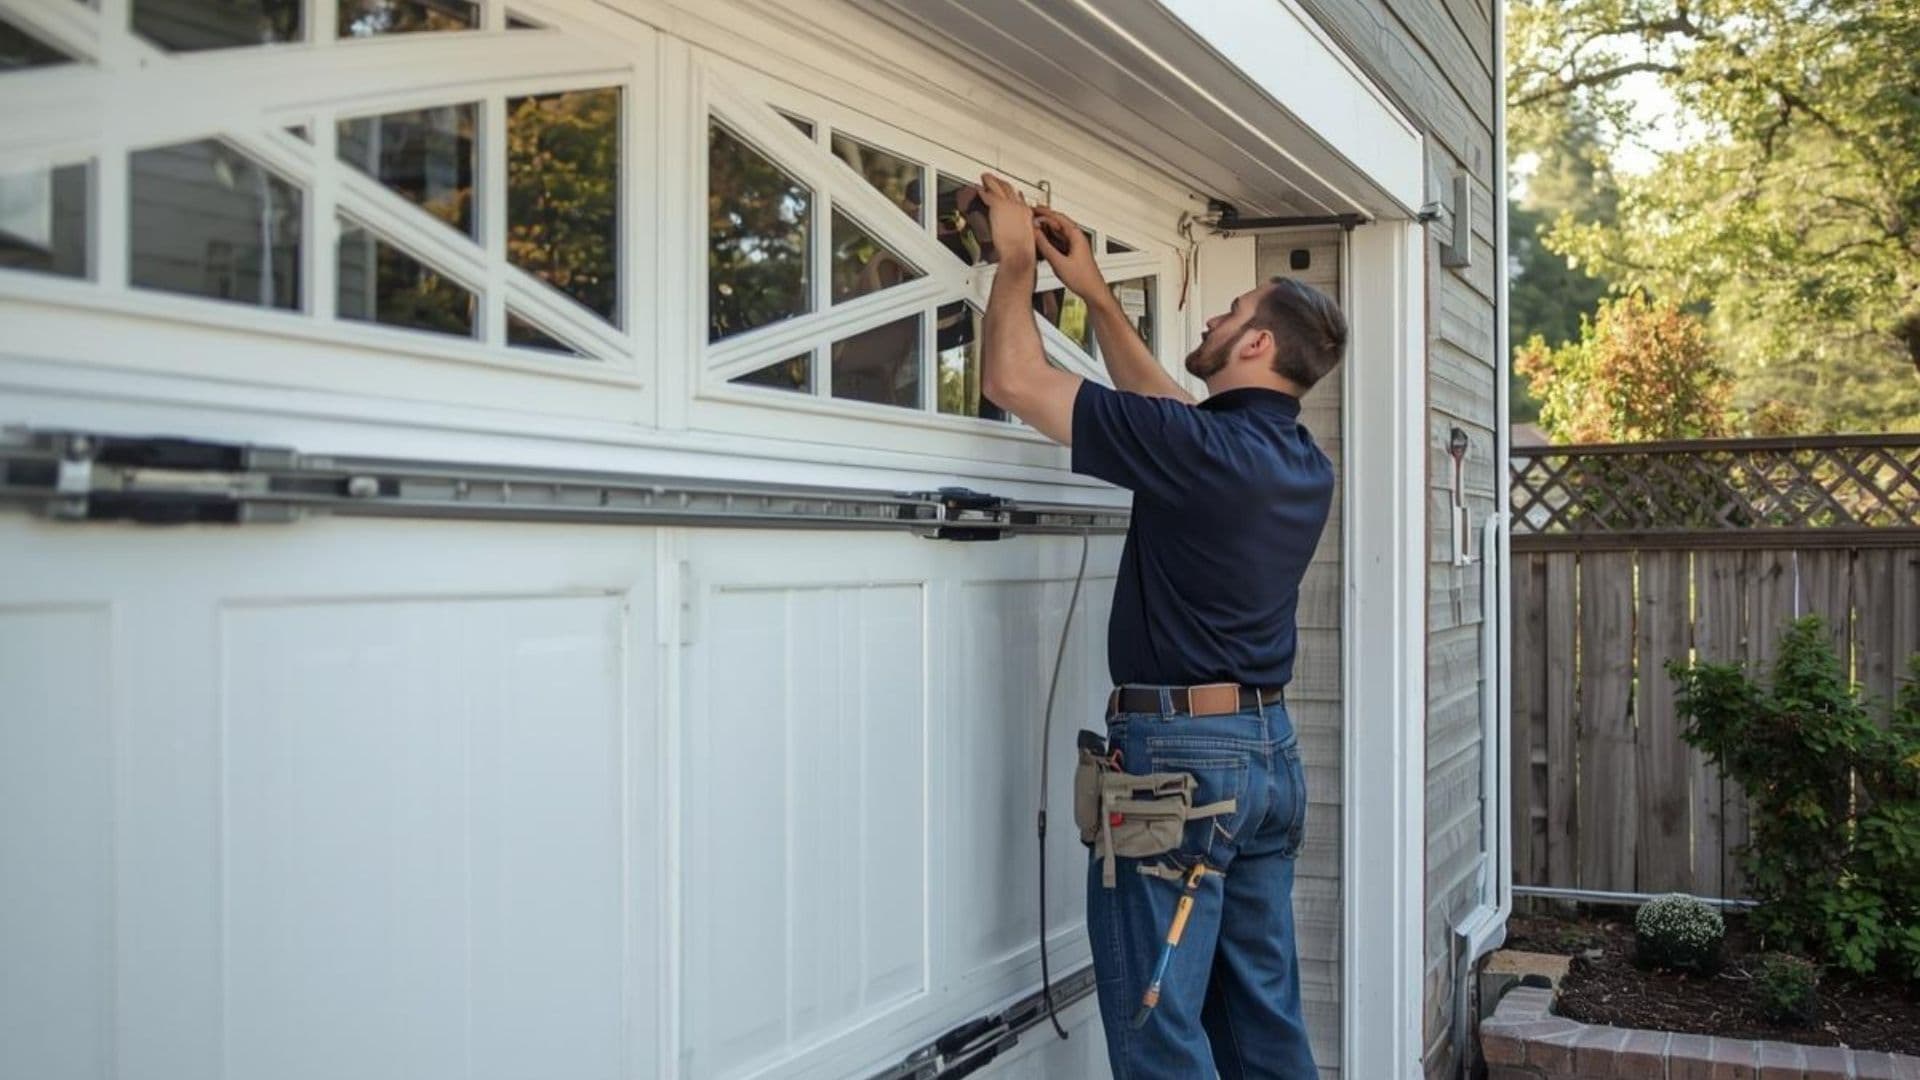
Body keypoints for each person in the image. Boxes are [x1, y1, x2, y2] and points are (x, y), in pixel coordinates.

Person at [972, 173, 1345, 1079]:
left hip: (1182, 768)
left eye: (1228, 313)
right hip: (1265, 760)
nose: (1212, 319)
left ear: (1255, 342)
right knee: (1262, 1016)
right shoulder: (1292, 458)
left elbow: (1012, 379)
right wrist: (1096, 292)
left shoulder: (1206, 452)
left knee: (1157, 1022)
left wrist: (1016, 261)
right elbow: (1172, 414)